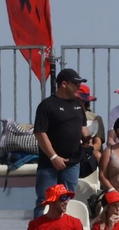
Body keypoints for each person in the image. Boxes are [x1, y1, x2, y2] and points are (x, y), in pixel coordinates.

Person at [32, 67, 88, 210]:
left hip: (72, 162)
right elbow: (40, 133)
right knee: (45, 200)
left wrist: (88, 140)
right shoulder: (47, 105)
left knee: (67, 201)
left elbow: (83, 127)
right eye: (76, 84)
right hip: (49, 164)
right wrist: (53, 157)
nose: (79, 87)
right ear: (64, 84)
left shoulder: (77, 104)